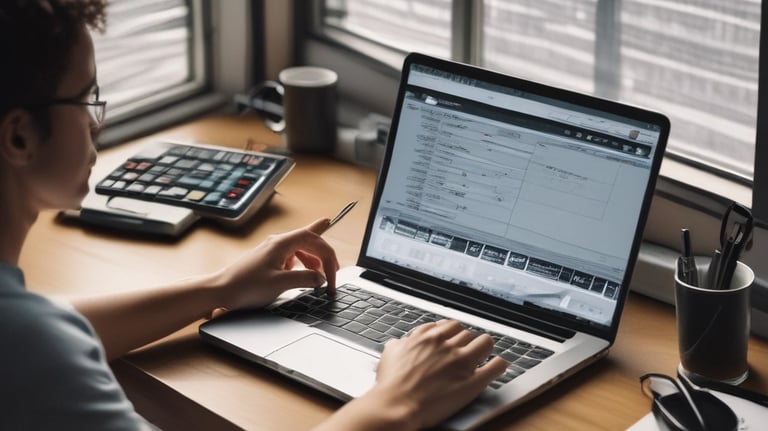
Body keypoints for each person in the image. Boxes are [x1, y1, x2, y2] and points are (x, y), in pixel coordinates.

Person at [0, 1, 508, 430]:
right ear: (19, 136)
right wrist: (399, 402)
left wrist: (218, 288)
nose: (96, 124)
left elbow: (47, 328)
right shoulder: (35, 347)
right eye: (85, 98)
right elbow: (38, 341)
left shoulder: (26, 331)